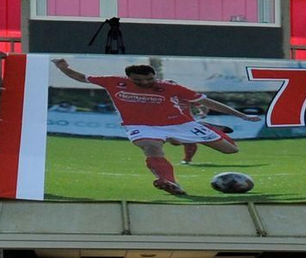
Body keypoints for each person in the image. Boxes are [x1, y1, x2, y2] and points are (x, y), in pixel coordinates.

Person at [50, 58, 251, 197]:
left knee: (231, 150)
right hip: (141, 126)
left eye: (149, 79)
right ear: (129, 78)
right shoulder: (114, 82)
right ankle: (171, 182)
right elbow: (81, 77)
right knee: (151, 147)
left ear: (155, 75)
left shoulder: (170, 86)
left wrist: (240, 115)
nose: (145, 83)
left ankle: (205, 127)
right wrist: (63, 67)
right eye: (139, 80)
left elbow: (208, 102)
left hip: (179, 123)